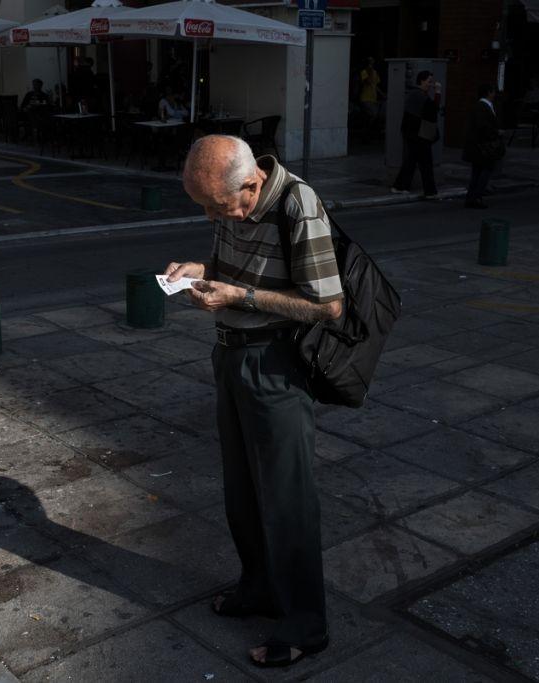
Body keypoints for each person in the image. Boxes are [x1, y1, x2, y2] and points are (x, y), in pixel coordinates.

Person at [163, 135, 341, 669]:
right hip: (231, 355)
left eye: (221, 207)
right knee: (241, 490)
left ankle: (307, 625)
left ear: (252, 183)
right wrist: (200, 272)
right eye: (208, 210)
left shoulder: (297, 205)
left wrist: (240, 298)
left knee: (288, 499)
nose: (221, 217)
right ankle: (258, 588)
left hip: (276, 363)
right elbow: (229, 264)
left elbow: (328, 306)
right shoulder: (227, 197)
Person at [391, 70, 441, 198]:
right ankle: (430, 191)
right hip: (418, 134)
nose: (430, 84)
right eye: (429, 81)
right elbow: (433, 110)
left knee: (411, 161)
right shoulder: (418, 95)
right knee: (425, 163)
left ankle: (399, 186)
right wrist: (438, 93)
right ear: (422, 81)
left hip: (413, 133)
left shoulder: (417, 94)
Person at [463, 83, 503, 209]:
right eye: (493, 91)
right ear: (489, 92)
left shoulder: (484, 106)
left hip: (479, 146)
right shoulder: (482, 107)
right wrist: (496, 132)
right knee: (485, 170)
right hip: (483, 146)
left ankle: (472, 197)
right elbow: (483, 127)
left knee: (477, 172)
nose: (495, 94)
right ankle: (476, 197)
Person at [357, 56, 382, 137]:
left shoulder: (375, 72)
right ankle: (366, 132)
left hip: (373, 98)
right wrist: (369, 71)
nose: (372, 63)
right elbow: (366, 82)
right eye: (370, 61)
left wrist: (382, 94)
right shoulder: (364, 72)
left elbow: (375, 85)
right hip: (365, 98)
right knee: (373, 114)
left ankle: (366, 132)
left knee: (372, 116)